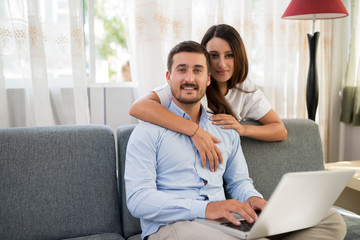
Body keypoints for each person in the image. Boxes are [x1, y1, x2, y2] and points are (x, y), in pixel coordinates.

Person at [125, 41, 346, 240]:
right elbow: (138, 200)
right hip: (172, 227)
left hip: (226, 222)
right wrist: (205, 209)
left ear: (208, 78)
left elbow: (238, 182)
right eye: (181, 70)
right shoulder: (148, 132)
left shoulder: (225, 128)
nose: (189, 78)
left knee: (330, 219)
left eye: (198, 70)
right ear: (168, 77)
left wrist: (252, 198)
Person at [129, 24, 287, 172]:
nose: (221, 64)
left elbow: (279, 130)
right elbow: (138, 107)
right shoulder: (190, 87)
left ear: (238, 56)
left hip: (223, 168)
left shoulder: (245, 88)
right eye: (214, 56)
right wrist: (195, 130)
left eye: (229, 55)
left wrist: (243, 129)